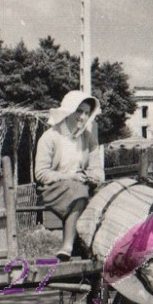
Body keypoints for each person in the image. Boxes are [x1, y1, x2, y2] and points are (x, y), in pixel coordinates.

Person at [35, 91, 104, 260]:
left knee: (103, 195)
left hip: (80, 185)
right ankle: (67, 246)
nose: (82, 117)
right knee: (79, 192)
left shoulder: (88, 138)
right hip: (52, 188)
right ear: (68, 111)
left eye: (87, 113)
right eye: (79, 111)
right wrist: (70, 177)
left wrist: (91, 176)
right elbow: (41, 173)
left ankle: (96, 246)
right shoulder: (50, 137)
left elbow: (97, 169)